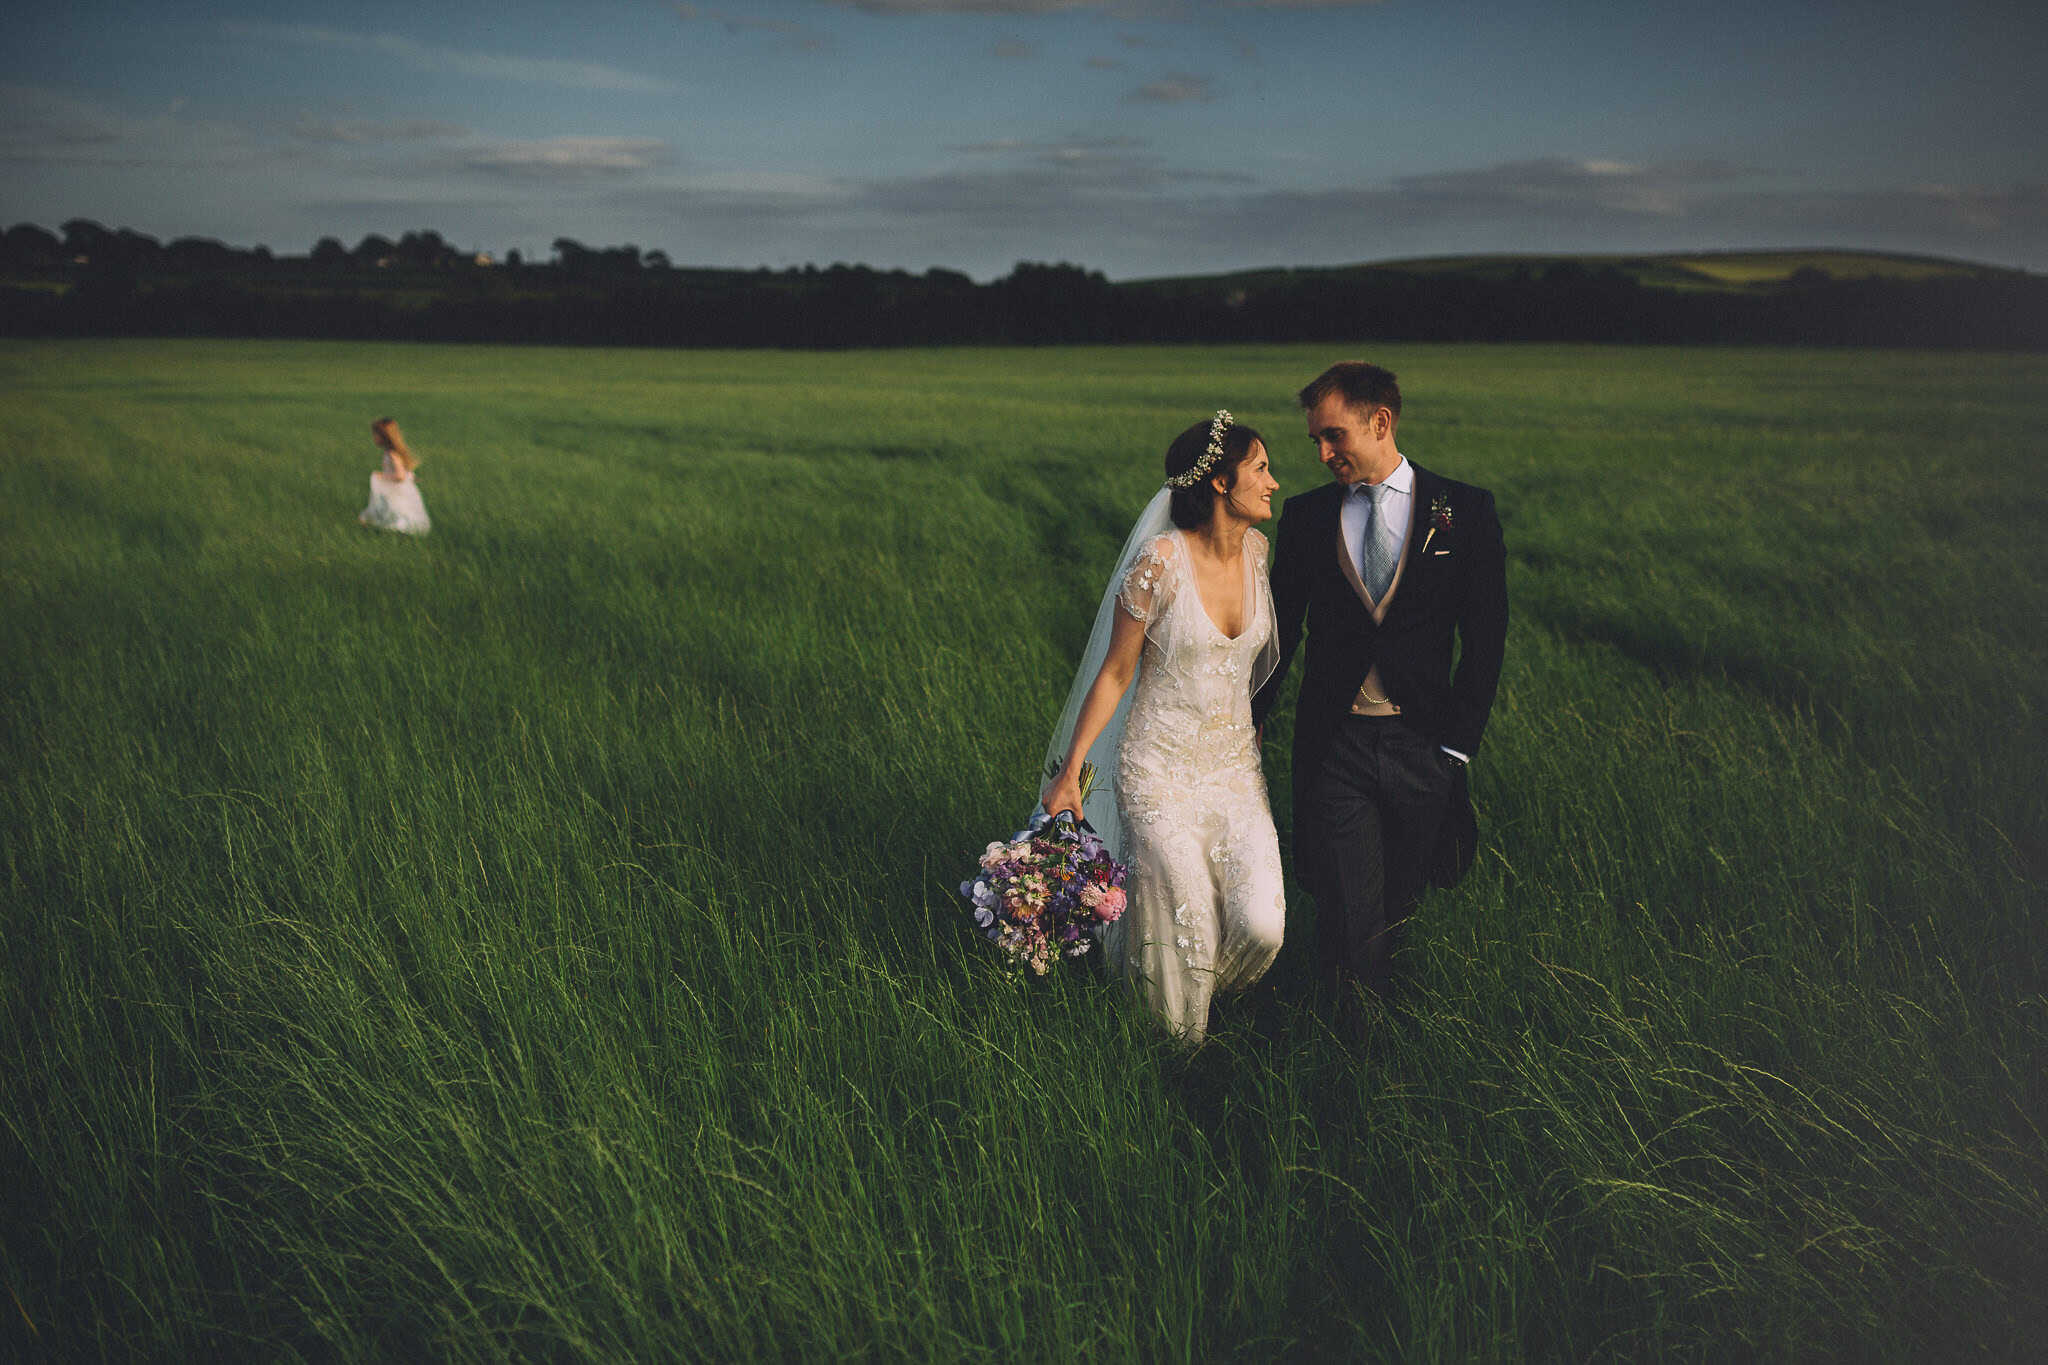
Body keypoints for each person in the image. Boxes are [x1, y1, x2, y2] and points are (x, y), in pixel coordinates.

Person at [1252, 362, 1507, 1029]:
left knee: (1401, 904)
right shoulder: (1308, 518)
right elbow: (1280, 636)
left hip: (1424, 745)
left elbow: (1486, 640)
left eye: (1333, 435)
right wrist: (1244, 721)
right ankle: (1358, 1052)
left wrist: (1455, 748)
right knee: (1352, 911)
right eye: (1315, 440)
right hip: (1338, 745)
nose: (1322, 453)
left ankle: (1403, 1024)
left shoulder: (1465, 512)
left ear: (1382, 422)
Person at [1042, 411, 1286, 1042]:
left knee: (1264, 927)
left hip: (1235, 775)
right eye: (1260, 468)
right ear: (1221, 484)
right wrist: (1072, 771)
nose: (1274, 482)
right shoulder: (1160, 563)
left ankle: (1180, 983)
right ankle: (1175, 1053)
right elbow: (1116, 673)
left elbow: (1247, 670)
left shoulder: (1258, 554)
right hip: (1157, 774)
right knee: (1189, 926)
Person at [359, 417, 431, 534]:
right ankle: (384, 529)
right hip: (393, 488)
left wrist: (382, 476)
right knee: (392, 510)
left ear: (384, 436)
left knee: (397, 511)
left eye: (375, 435)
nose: (374, 438)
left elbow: (400, 476)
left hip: (395, 489)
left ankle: (397, 532)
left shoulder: (392, 455)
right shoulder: (389, 453)